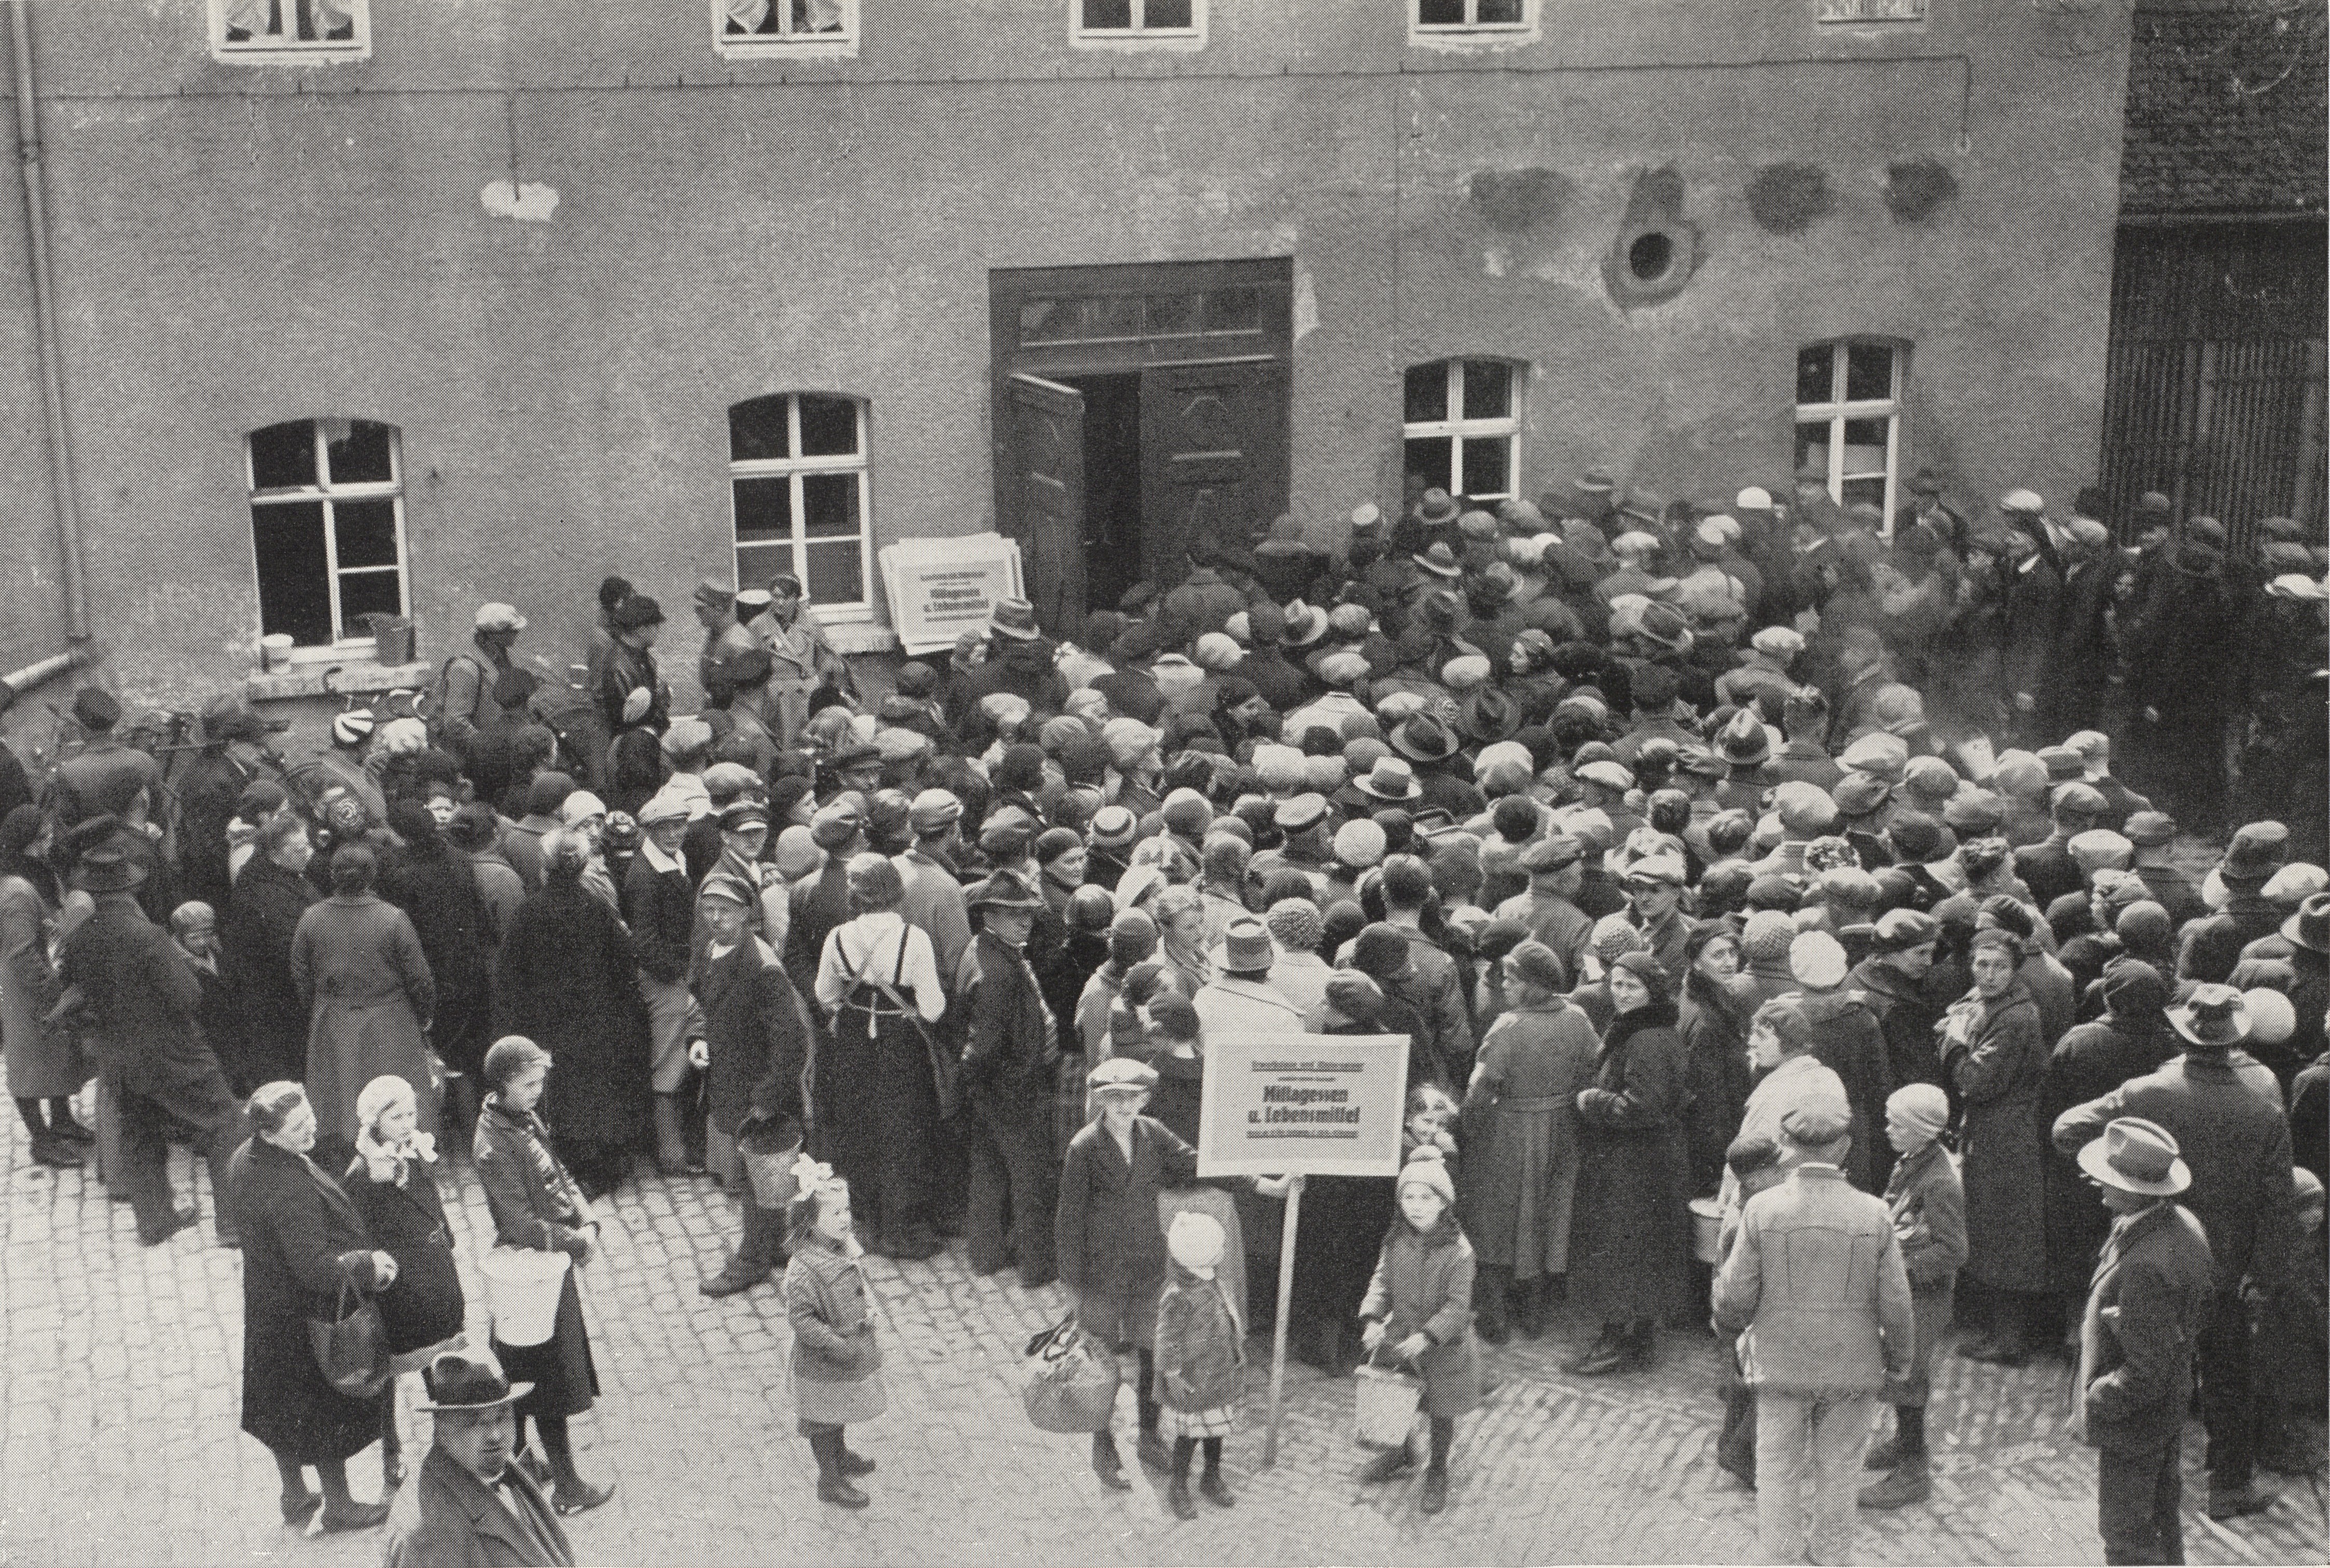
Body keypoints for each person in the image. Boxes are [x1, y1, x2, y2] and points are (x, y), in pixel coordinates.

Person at [2052, 984, 2299, 1521]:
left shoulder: (2145, 1092)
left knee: (2145, 1363)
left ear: (2181, 1034)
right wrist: (2265, 1273)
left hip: (2153, 1247)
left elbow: (2066, 1128)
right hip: (2226, 1267)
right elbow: (2279, 1204)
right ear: (2236, 1040)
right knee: (2228, 1375)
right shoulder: (2263, 1111)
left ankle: (2151, 1483)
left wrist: (2109, 1174)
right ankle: (2228, 1486)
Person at [1713, 1106, 1915, 1567]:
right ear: (1843, 1148)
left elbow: (1735, 1293)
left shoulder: (1763, 1209)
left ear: (1786, 1149)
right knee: (1842, 1470)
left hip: (1780, 1366)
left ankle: (1779, 1557)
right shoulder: (1874, 1213)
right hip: (1853, 1368)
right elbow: (1897, 1305)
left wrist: (1730, 1330)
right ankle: (1830, 1557)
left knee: (1778, 1471)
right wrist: (1899, 1361)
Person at [227, 1082, 397, 1534]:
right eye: (299, 1127)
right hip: (303, 1314)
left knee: (280, 1406)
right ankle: (340, 1505)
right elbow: (317, 1269)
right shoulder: (288, 1188)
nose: (312, 1129)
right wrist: (368, 1263)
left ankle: (294, 1493)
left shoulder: (245, 1158)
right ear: (270, 1133)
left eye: (310, 1117)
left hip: (266, 1306)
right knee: (320, 1410)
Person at [59, 839, 245, 1245]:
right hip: (172, 1053)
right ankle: (232, 1225)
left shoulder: (80, 938)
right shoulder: (149, 936)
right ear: (129, 890)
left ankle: (154, 1222)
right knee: (225, 1120)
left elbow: (72, 987)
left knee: (141, 1133)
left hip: (117, 1055)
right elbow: (188, 996)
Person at [472, 1036, 615, 1517]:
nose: (538, 1090)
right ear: (504, 1084)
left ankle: (526, 1466)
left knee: (530, 1373)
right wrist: (576, 1241)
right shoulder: (493, 1145)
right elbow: (517, 1224)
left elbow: (557, 1172)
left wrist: (585, 1215)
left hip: (545, 1269)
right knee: (543, 1379)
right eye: (529, 1083)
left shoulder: (520, 1119)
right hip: (529, 1276)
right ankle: (567, 1487)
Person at [2070, 1118, 2215, 1566]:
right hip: (2166, 1407)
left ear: (2143, 1191)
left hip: (2137, 1421)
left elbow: (2144, 1372)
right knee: (2161, 1517)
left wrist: (2096, 1398)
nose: (2098, 1186)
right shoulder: (2176, 1224)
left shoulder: (2148, 1261)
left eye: (2112, 1181)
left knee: (2126, 1532)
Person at [1056, 1056, 1202, 1489]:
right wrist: (1073, 1286)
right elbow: (1069, 1220)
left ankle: (1148, 1435)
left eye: (1132, 1097)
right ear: (1102, 1100)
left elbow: (1198, 1162)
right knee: (1100, 1363)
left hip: (1146, 1270)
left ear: (1144, 1098)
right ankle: (1103, 1446)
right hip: (1100, 1275)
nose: (1124, 1105)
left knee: (1152, 1355)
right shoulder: (1084, 1147)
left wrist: (1260, 1181)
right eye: (1115, 1097)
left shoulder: (1154, 1135)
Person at [491, 830, 654, 1198]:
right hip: (597, 1019)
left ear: (545, 866)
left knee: (558, 1093)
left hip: (546, 1023)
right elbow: (624, 964)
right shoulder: (596, 908)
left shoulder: (529, 912)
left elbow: (510, 974)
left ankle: (568, 1166)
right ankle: (601, 1169)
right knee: (596, 1091)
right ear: (582, 866)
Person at [1457, 939, 1598, 1343]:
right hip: (1560, 1127)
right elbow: (1593, 1063)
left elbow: (1481, 1087)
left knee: (1495, 1214)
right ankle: (1533, 1311)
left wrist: (1468, 1127)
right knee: (1543, 1213)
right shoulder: (1576, 1017)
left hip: (1509, 1131)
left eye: (1512, 979)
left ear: (1531, 984)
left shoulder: (1510, 1026)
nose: (1504, 986)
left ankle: (1495, 1313)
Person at [813, 852, 949, 1260]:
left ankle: (866, 1219)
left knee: (860, 1124)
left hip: (854, 1041)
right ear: (895, 891)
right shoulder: (914, 939)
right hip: (901, 1043)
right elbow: (932, 1008)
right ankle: (901, 1227)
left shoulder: (838, 937)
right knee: (903, 1128)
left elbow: (824, 995)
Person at [1565, 950, 1691, 1375]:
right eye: (1616, 983)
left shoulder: (1646, 1038)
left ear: (1651, 990)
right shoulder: (1643, 1028)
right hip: (1641, 1158)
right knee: (1637, 1250)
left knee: (1623, 1249)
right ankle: (1634, 1337)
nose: (1620, 993)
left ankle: (1618, 1340)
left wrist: (1590, 1099)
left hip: (1635, 1162)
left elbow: (1642, 1107)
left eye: (1631, 985)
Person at [691, 872, 815, 1298]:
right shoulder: (712, 950)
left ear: (747, 914)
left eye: (724, 910)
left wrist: (767, 1098)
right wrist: (698, 1042)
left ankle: (751, 1260)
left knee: (758, 1177)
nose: (715, 918)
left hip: (761, 1094)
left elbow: (791, 1040)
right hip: (731, 1079)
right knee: (757, 1175)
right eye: (709, 909)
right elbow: (703, 1005)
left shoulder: (763, 966)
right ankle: (772, 1243)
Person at [341, 1074, 466, 1494]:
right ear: (375, 1120)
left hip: (433, 1270)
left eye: (412, 1112)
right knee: (393, 1372)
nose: (408, 1122)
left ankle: (448, 1442)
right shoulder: (363, 1174)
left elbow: (429, 1198)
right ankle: (391, 1450)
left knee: (441, 1361)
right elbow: (360, 1232)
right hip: (401, 1285)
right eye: (397, 1116)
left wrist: (445, 1232)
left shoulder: (413, 1151)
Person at [1942, 928, 2052, 1365]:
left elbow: (1975, 1079)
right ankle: (2000, 1331)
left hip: (2006, 1136)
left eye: (1999, 966)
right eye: (1981, 965)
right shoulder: (1991, 1002)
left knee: (2004, 1232)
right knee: (1992, 1228)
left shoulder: (2017, 1018)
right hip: (1992, 1131)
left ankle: (2009, 1341)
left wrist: (1953, 1043)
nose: (1988, 975)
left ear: (2015, 969)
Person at [290, 845, 437, 1166]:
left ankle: (347, 1163)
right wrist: (424, 1016)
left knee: (340, 1099)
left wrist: (319, 1006)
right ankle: (404, 1159)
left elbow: (300, 974)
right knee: (398, 1096)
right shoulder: (393, 919)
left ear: (334, 875)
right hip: (391, 1022)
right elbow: (420, 977)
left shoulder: (312, 918)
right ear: (373, 875)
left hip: (335, 1020)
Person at [1859, 1083, 1967, 1510]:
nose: (1886, 1129)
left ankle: (1913, 1470)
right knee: (1902, 1374)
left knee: (1909, 1377)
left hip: (1924, 1297)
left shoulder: (1940, 1180)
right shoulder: (1915, 1160)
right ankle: (1904, 1443)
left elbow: (1954, 1249)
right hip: (1911, 1293)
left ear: (1921, 1130)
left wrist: (1900, 1268)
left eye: (1895, 1124)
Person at [1356, 1145, 1480, 1516]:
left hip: (1444, 1347)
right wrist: (1374, 1318)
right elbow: (1382, 1280)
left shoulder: (1460, 1252)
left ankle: (1437, 1467)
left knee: (1441, 1410)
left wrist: (1428, 1336)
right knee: (1397, 1398)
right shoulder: (1395, 1240)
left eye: (1426, 1198)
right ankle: (1402, 1449)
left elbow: (1458, 1306)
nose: (1416, 1205)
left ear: (1444, 1202)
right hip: (1400, 1337)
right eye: (1408, 1197)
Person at [954, 867, 1061, 1289]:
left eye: (1029, 914)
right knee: (1029, 1174)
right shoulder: (997, 971)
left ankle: (986, 1254)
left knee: (990, 1169)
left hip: (995, 1087)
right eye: (1012, 913)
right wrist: (998, 1082)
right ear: (989, 915)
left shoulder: (990, 949)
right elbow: (984, 1042)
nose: (1026, 922)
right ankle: (1036, 1266)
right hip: (1011, 1088)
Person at [382, 1352, 575, 1568]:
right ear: (441, 1427)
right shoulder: (428, 1531)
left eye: (502, 1417)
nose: (495, 1435)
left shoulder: (504, 1472)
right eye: (474, 1423)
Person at [783, 1153, 886, 1509]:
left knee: (838, 1409)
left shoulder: (839, 1247)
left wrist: (868, 1307)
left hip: (846, 1347)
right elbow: (801, 1319)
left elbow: (857, 1277)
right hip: (824, 1359)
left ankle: (839, 1455)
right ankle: (829, 1477)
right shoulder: (803, 1270)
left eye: (847, 1210)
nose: (846, 1219)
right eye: (836, 1213)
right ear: (811, 1223)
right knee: (822, 1418)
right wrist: (837, 1344)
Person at [0, 804, 91, 1168]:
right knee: (29, 1063)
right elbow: (21, 952)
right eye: (44, 835)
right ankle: (41, 1139)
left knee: (55, 1056)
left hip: (39, 981)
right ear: (27, 842)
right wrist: (53, 994)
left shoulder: (35, 874)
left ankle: (63, 1120)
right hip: (28, 991)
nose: (50, 840)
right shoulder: (19, 892)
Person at [220, 813, 323, 1094]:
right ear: (276, 856)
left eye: (308, 845)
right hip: (276, 1009)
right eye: (300, 850)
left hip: (279, 1003)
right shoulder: (268, 895)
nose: (309, 854)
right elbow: (290, 951)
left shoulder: (280, 878)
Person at [1154, 1210, 1245, 1519]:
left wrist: (1237, 1351)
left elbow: (1230, 1319)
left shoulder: (1218, 1283)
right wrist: (1172, 1372)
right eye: (1218, 1247)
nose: (1223, 1251)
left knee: (1216, 1430)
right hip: (1194, 1379)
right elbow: (1167, 1339)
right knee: (1190, 1434)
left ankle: (1211, 1475)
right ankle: (1178, 1485)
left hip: (1220, 1374)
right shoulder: (1178, 1296)